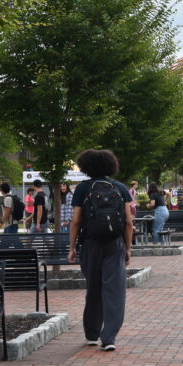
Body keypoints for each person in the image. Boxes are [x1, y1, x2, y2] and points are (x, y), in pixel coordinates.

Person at [67, 149, 133, 352]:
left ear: (86, 166)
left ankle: (91, 334)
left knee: (93, 288)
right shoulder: (120, 187)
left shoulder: (82, 189)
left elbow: (76, 220)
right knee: (114, 291)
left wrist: (71, 247)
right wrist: (128, 248)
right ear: (110, 165)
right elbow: (129, 222)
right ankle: (109, 337)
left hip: (90, 243)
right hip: (115, 244)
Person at [0, 183, 23, 249]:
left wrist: (1, 222)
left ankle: (25, 256)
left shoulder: (7, 198)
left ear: (2, 190)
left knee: (15, 244)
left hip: (10, 225)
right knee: (5, 245)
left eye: (0, 189)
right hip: (10, 225)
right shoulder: (11, 197)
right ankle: (24, 256)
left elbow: (7, 212)